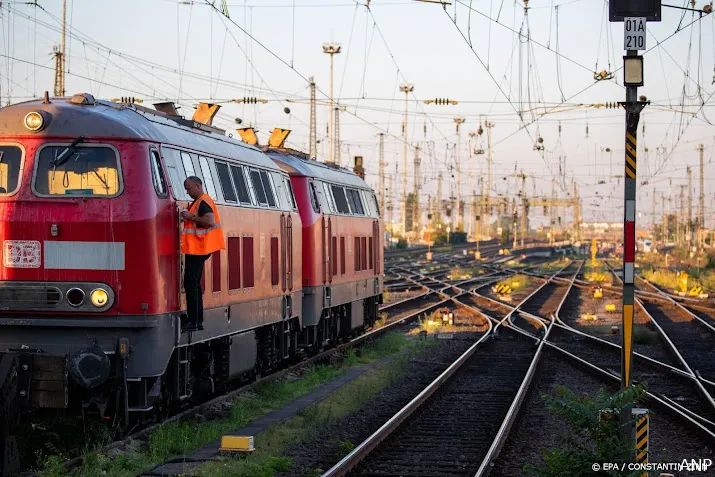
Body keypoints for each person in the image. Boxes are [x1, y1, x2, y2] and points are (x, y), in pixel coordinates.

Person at [180, 176, 225, 332]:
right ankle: (196, 321)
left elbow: (210, 220)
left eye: (189, 189)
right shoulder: (199, 201)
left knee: (191, 285)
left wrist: (190, 217)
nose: (188, 192)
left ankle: (194, 321)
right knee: (194, 285)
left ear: (198, 186)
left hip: (199, 248)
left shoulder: (203, 201)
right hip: (197, 248)